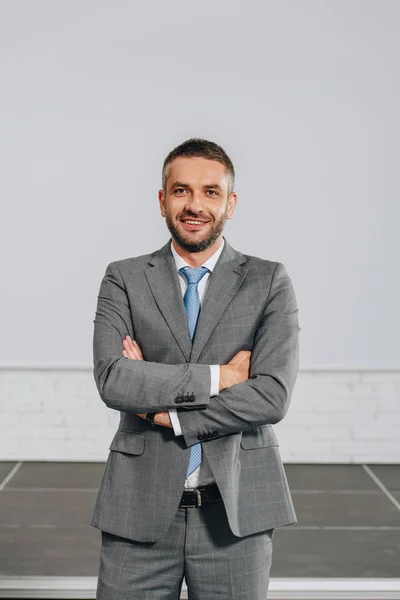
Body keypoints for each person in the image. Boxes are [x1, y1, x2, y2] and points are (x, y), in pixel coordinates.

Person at [91, 138, 300, 600]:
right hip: (137, 511)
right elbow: (114, 379)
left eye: (210, 192)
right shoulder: (123, 277)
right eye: (181, 190)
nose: (195, 205)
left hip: (235, 514)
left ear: (231, 203)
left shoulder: (269, 281)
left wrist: (164, 412)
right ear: (163, 200)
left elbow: (270, 397)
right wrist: (220, 378)